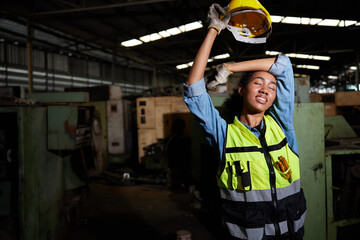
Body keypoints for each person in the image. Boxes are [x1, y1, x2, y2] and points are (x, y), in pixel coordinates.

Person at [183, 3, 307, 240]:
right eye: (258, 83)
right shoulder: (225, 135)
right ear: (241, 90)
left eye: (272, 87)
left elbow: (283, 65)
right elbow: (194, 91)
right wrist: (214, 29)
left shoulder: (282, 127)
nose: (266, 89)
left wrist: (230, 67)